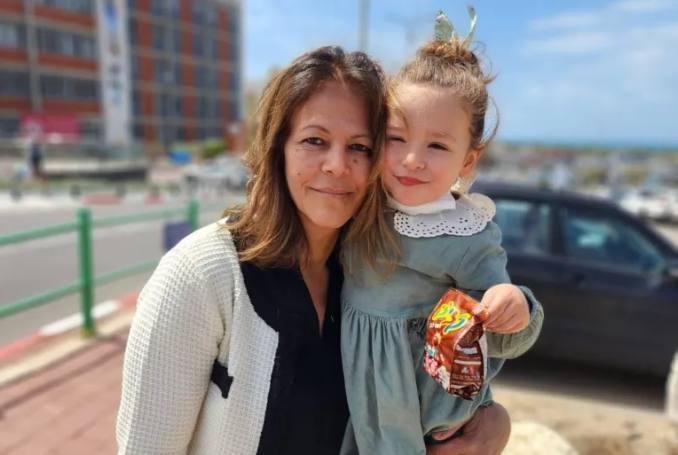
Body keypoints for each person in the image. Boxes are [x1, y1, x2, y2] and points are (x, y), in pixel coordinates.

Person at [116, 45, 511, 454]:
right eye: (314, 140)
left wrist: (493, 423)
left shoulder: (376, 264)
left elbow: (442, 383)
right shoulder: (201, 274)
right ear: (278, 148)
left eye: (359, 147)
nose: (336, 164)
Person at [340, 10, 544, 454]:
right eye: (397, 138)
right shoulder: (360, 204)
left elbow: (503, 336)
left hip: (430, 426)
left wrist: (514, 305)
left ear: (468, 160)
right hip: (363, 412)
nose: (412, 159)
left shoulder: (467, 235)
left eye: (437, 145)